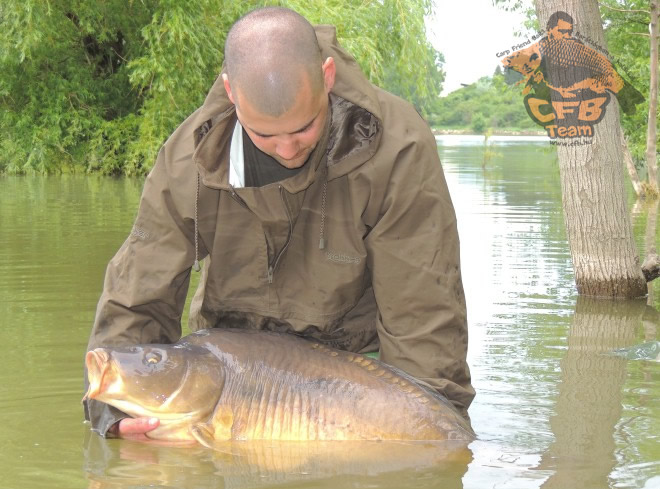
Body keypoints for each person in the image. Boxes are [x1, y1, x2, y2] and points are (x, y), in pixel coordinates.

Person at [84, 6, 474, 440]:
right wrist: (114, 415)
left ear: (326, 76)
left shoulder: (398, 147)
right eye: (265, 135)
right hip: (232, 373)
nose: (287, 149)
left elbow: (423, 314)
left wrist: (436, 434)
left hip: (354, 369)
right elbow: (137, 295)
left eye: (304, 127)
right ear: (232, 93)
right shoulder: (187, 160)